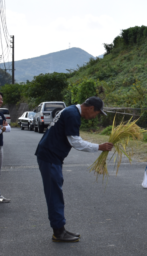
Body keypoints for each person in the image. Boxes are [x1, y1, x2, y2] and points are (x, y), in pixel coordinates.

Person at [35, 97, 112, 242]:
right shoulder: (72, 114)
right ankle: (58, 232)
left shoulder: (70, 110)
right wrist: (99, 147)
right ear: (90, 108)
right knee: (54, 194)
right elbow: (75, 142)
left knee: (56, 191)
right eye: (97, 113)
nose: (95, 116)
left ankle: (59, 229)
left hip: (51, 156)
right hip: (50, 157)